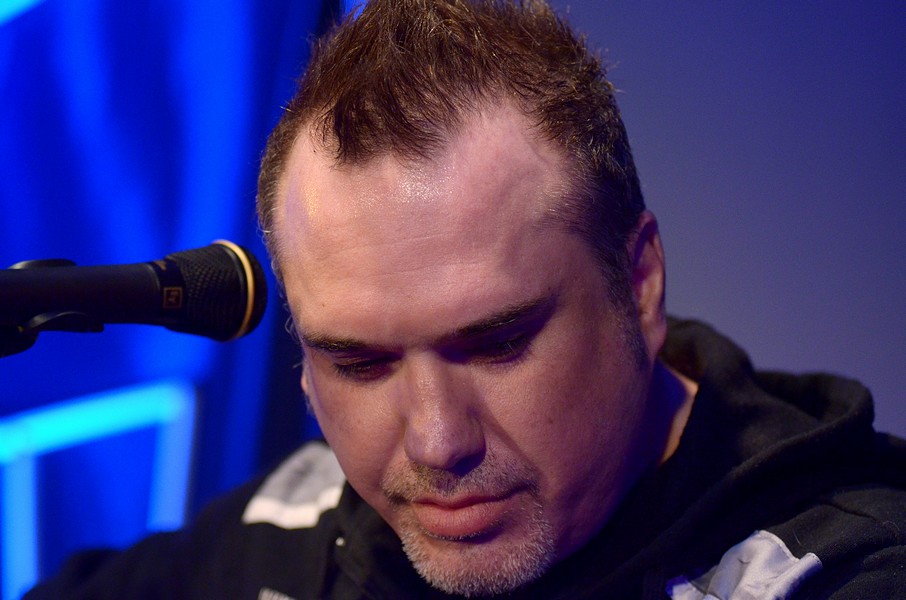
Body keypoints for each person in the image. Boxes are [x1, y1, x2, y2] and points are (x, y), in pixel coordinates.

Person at [27, 0, 906, 598]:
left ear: (639, 285)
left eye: (496, 344)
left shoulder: (844, 570)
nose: (438, 441)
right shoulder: (290, 526)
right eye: (360, 362)